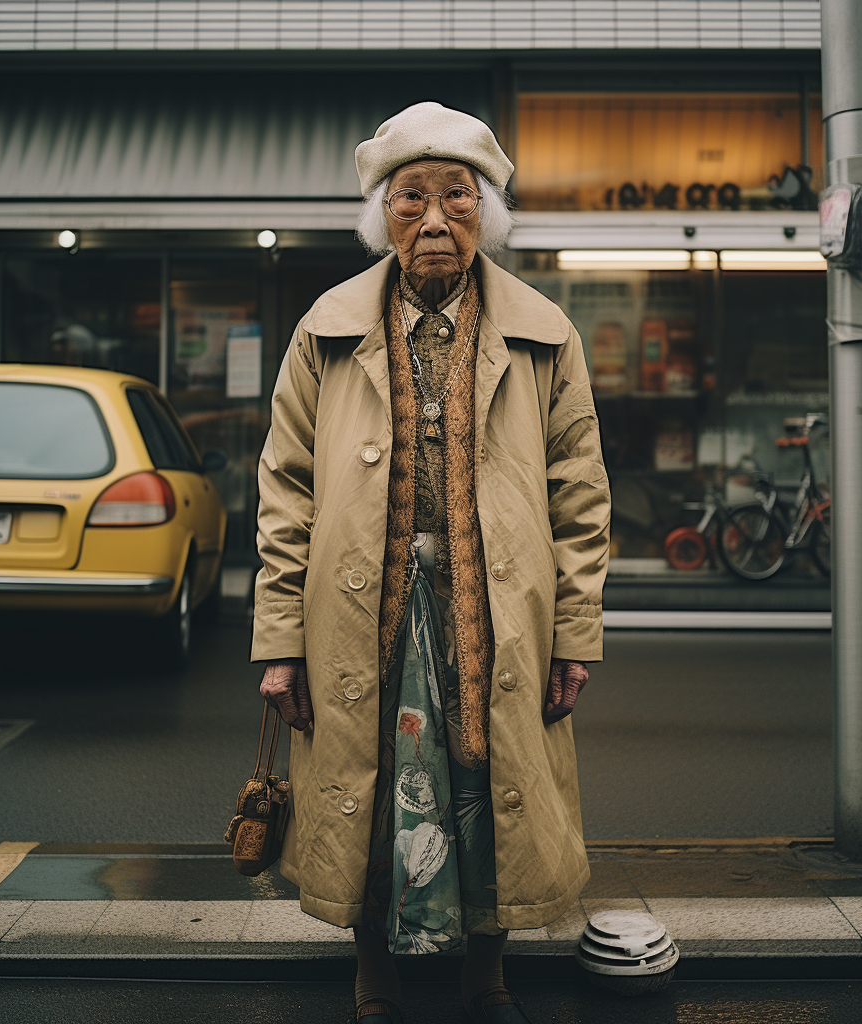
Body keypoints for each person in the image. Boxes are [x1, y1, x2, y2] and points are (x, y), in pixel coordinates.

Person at [254, 101, 610, 1024]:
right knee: (367, 789)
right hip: (358, 611)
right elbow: (286, 490)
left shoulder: (545, 332)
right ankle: (373, 972)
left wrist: (575, 634)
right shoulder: (322, 330)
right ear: (384, 216)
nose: (437, 220)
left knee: (487, 789)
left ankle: (483, 973)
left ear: (486, 213)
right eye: (413, 199)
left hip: (497, 616)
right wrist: (279, 639)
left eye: (459, 197)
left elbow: (581, 496)